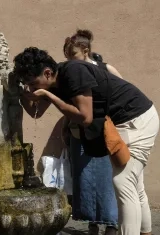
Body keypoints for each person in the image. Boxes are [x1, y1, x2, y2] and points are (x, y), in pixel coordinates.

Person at [14, 47, 158, 235]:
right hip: (124, 123)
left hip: (137, 118)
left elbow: (85, 117)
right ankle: (146, 232)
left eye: (33, 84)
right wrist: (22, 94)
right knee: (135, 184)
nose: (33, 89)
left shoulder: (74, 72)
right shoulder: (51, 83)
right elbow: (37, 113)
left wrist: (48, 95)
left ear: (47, 73)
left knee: (123, 181)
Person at [61, 29, 121, 235]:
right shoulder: (72, 73)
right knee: (84, 179)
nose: (70, 61)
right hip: (79, 133)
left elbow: (121, 93)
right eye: (67, 57)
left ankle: (111, 223)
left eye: (73, 56)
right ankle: (93, 222)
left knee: (106, 179)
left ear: (85, 50)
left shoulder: (105, 69)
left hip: (102, 133)